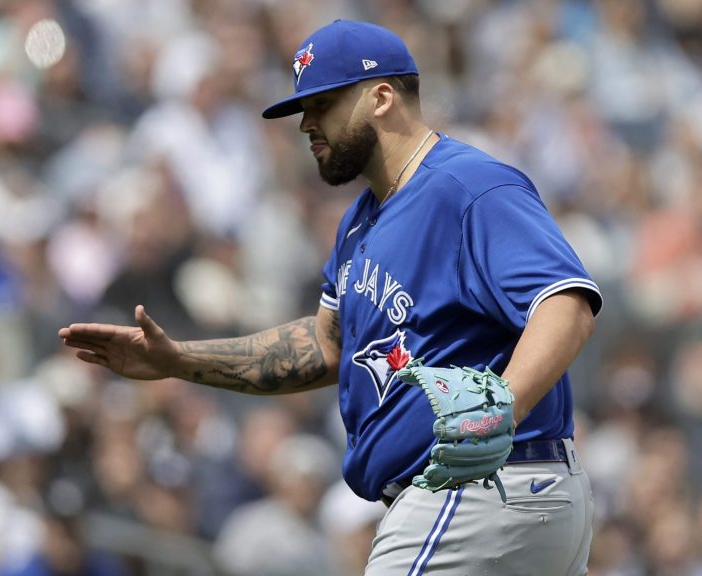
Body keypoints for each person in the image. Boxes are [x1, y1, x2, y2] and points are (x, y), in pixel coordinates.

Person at [59, 19, 602, 575]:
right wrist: (179, 360)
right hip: (501, 499)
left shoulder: (466, 186)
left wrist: (499, 411)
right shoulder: (360, 223)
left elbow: (565, 305)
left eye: (322, 105)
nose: (306, 125)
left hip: (475, 490)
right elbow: (324, 347)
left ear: (382, 97)